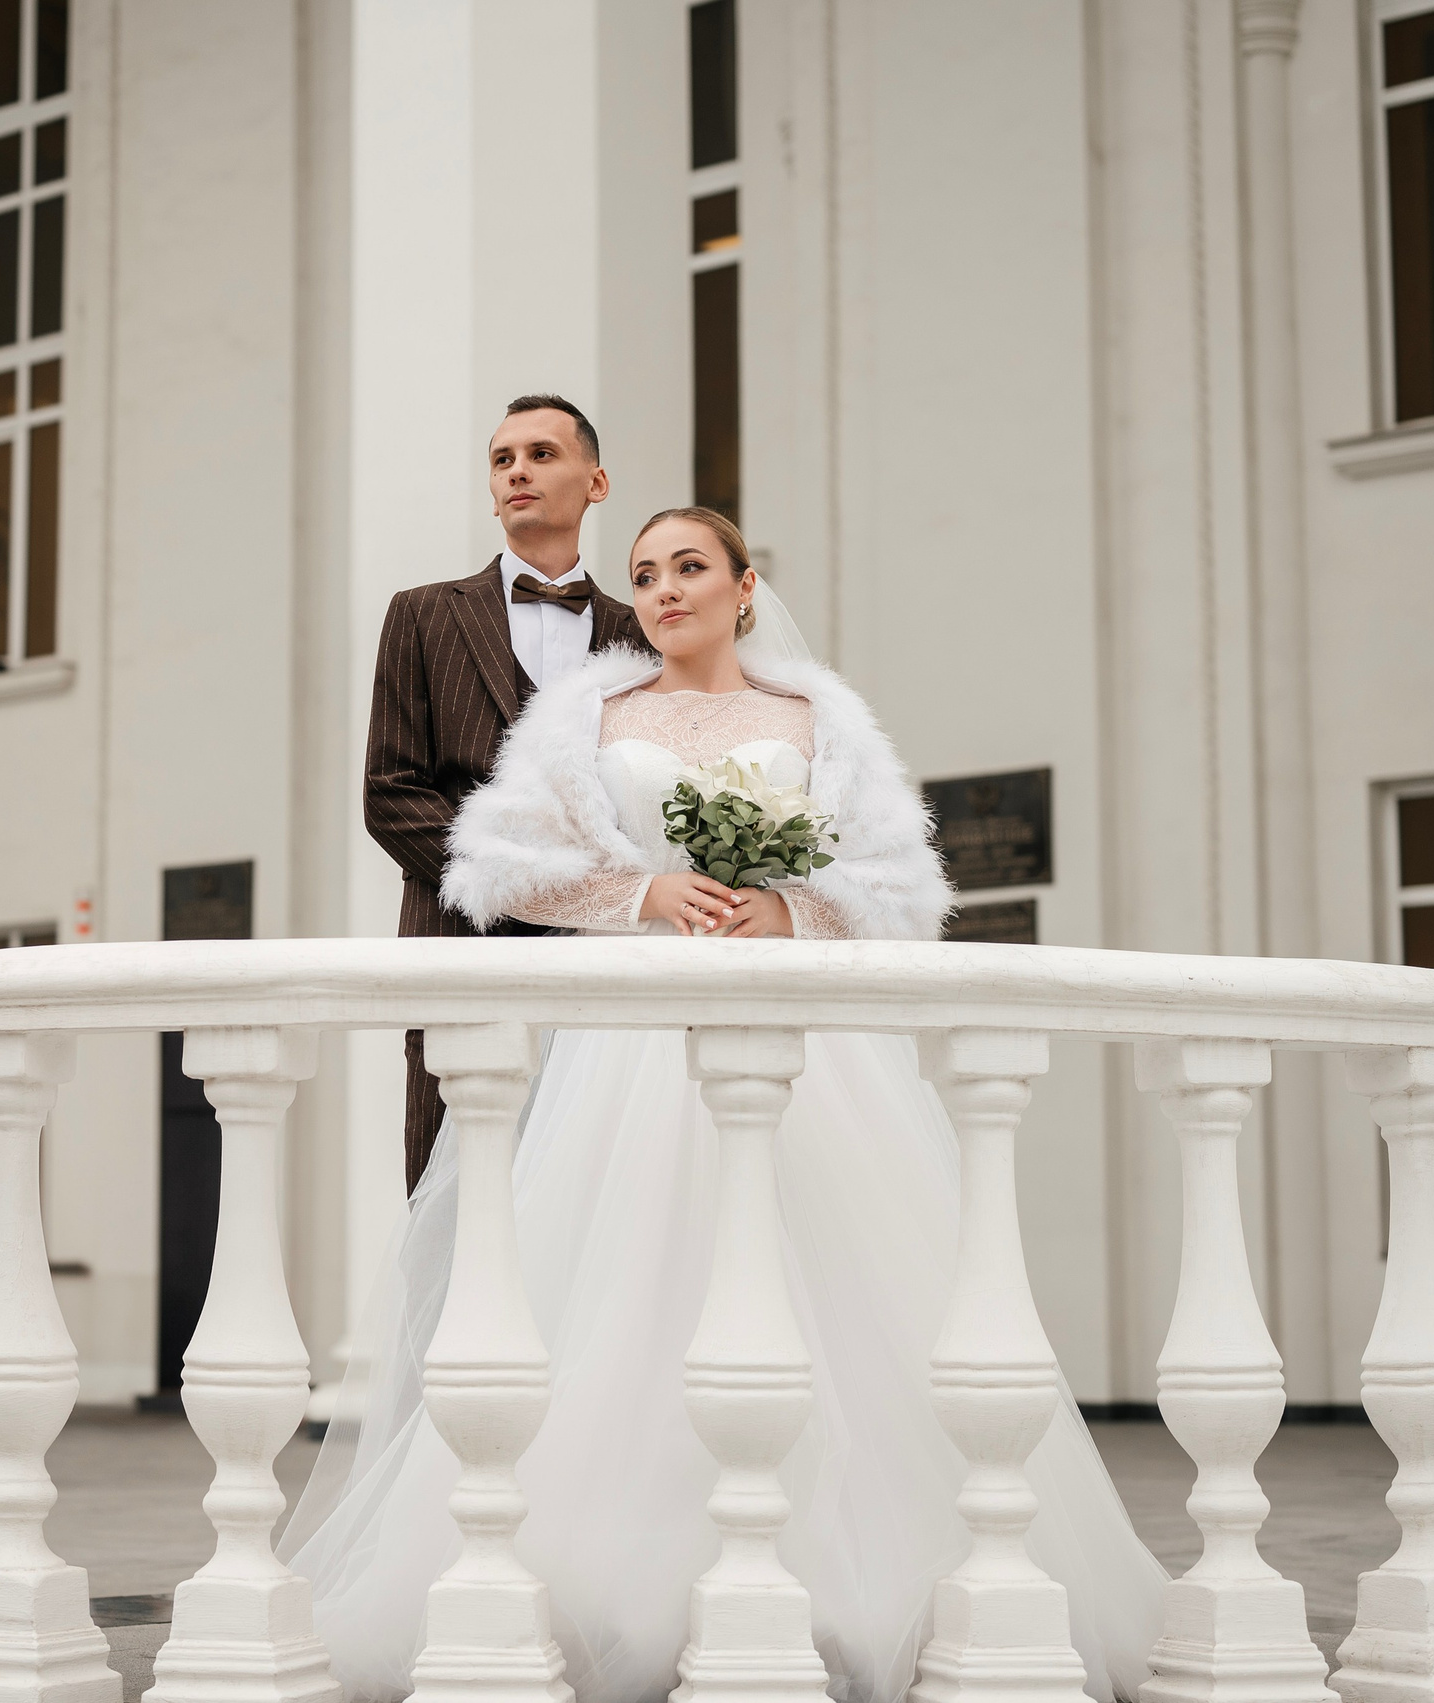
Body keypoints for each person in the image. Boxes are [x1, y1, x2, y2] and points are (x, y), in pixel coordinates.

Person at [285, 508, 1168, 1703]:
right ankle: (606, 1578)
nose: (662, 589)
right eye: (644, 574)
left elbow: (905, 887)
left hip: (811, 1057)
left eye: (688, 567)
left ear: (744, 587)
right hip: (631, 1053)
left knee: (850, 1293)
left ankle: (859, 1575)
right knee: (629, 1287)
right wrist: (642, 890)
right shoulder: (585, 716)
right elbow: (489, 862)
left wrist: (792, 909)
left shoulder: (818, 719)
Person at [362, 394, 650, 1193]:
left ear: (596, 482)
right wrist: (523, 882)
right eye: (502, 459)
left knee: (591, 1194)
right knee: (448, 1190)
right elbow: (390, 793)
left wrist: (598, 898)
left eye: (541, 453)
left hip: (602, 962)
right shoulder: (422, 615)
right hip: (456, 942)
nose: (517, 470)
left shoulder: (642, 635)